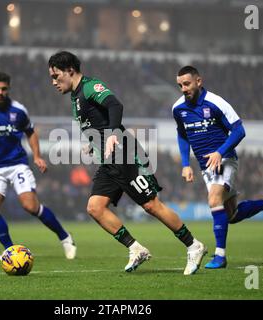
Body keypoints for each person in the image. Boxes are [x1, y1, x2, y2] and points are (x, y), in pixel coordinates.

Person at [48, 51, 207, 275]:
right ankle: (136, 248)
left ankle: (194, 245)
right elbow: (99, 123)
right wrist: (93, 143)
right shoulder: (75, 97)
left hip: (124, 154)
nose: (54, 82)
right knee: (95, 208)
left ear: (70, 71)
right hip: (108, 159)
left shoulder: (90, 87)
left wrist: (113, 134)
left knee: (151, 205)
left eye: (56, 76)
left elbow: (115, 106)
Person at [172, 66, 263, 269]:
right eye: (180, 85)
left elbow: (239, 130)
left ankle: (220, 256)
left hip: (225, 160)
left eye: (187, 83)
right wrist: (186, 164)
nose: (183, 89)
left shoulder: (216, 103)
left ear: (199, 81)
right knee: (232, 215)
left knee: (213, 200)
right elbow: (182, 134)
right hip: (205, 166)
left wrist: (220, 151)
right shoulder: (178, 108)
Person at [0, 71, 76, 261]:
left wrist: (37, 156)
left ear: (9, 89)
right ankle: (10, 251)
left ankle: (65, 238)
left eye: (4, 89)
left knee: (30, 206)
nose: (0, 92)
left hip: (17, 164)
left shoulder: (18, 110)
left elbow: (31, 132)